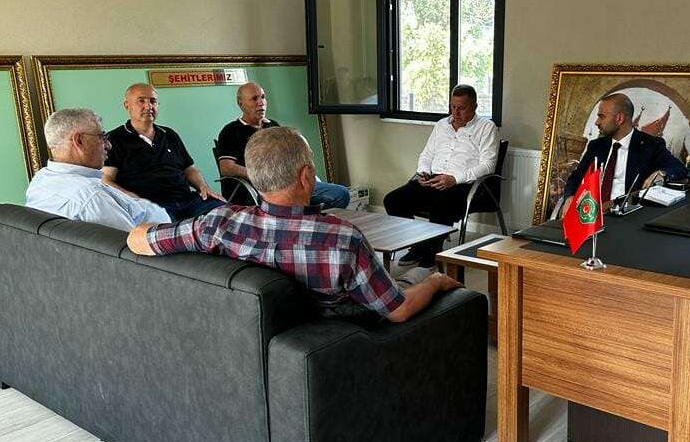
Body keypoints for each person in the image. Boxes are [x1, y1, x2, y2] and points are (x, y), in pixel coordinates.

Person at [127, 126, 461, 323]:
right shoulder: (341, 238)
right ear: (305, 176)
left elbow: (137, 240)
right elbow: (398, 311)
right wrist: (436, 283)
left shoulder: (217, 223)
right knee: (421, 277)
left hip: (268, 331)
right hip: (344, 334)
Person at [383, 84, 499, 266]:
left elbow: (488, 166)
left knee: (442, 205)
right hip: (433, 179)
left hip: (462, 184)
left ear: (475, 106)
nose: (456, 112)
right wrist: (423, 171)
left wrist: (454, 179)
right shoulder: (441, 125)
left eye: (462, 108)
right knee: (393, 200)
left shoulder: (486, 127)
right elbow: (427, 154)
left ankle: (430, 257)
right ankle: (418, 246)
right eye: (453, 107)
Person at [25, 108, 171, 230]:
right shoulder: (93, 198)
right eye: (102, 137)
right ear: (79, 141)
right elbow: (132, 248)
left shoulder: (40, 179)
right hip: (162, 238)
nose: (109, 145)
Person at [216, 82, 350, 209]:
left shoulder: (273, 126)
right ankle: (299, 218)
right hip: (261, 190)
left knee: (341, 194)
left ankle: (305, 219)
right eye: (254, 98)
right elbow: (226, 168)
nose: (261, 102)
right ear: (241, 104)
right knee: (290, 203)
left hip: (288, 183)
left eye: (263, 97)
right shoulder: (230, 131)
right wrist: (260, 176)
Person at [103, 84, 225, 221]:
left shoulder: (169, 134)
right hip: (152, 207)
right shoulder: (114, 139)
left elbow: (189, 168)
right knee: (176, 230)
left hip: (187, 201)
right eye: (141, 101)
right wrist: (132, 199)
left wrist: (203, 186)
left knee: (226, 214)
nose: (148, 106)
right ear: (127, 105)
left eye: (153, 101)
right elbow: (106, 179)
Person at [561, 92, 688, 216]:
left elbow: (679, 169)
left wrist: (662, 173)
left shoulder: (650, 145)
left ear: (619, 118)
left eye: (602, 116)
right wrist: (570, 196)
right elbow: (576, 177)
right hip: (592, 215)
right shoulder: (596, 146)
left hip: (629, 216)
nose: (597, 122)